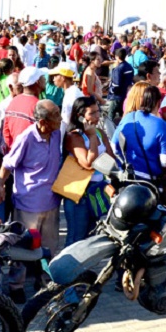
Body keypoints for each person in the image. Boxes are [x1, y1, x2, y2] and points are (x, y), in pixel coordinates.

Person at [0, 100, 63, 254]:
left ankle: (45, 278)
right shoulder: (26, 138)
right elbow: (7, 164)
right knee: (27, 250)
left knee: (49, 249)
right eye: (56, 115)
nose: (61, 118)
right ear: (43, 121)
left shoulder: (56, 134)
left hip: (51, 202)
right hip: (29, 206)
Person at [62, 96, 112, 244]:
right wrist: (91, 137)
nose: (97, 117)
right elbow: (88, 163)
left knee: (91, 236)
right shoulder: (74, 136)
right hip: (79, 193)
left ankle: (84, 268)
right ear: (80, 116)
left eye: (98, 112)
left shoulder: (100, 132)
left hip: (97, 190)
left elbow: (110, 158)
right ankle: (68, 267)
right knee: (76, 237)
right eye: (92, 113)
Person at [2, 67, 46, 151]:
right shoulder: (40, 106)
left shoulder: (13, 102)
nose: (45, 80)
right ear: (37, 82)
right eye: (42, 77)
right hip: (32, 157)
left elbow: (6, 132)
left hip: (14, 153)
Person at [107, 48, 134, 126]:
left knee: (110, 115)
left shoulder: (118, 69)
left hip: (116, 96)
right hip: (125, 95)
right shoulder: (129, 67)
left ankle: (111, 132)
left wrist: (111, 91)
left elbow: (116, 84)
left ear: (117, 57)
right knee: (123, 114)